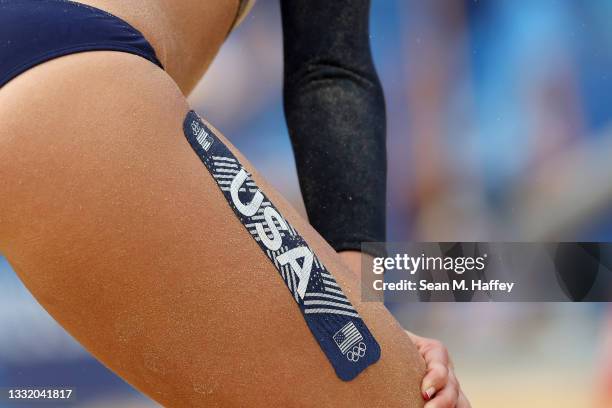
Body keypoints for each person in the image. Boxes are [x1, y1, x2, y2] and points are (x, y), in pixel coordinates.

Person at [0, 0, 468, 406]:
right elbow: (329, 68)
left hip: (49, 73)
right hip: (60, 73)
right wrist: (370, 317)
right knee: (412, 395)